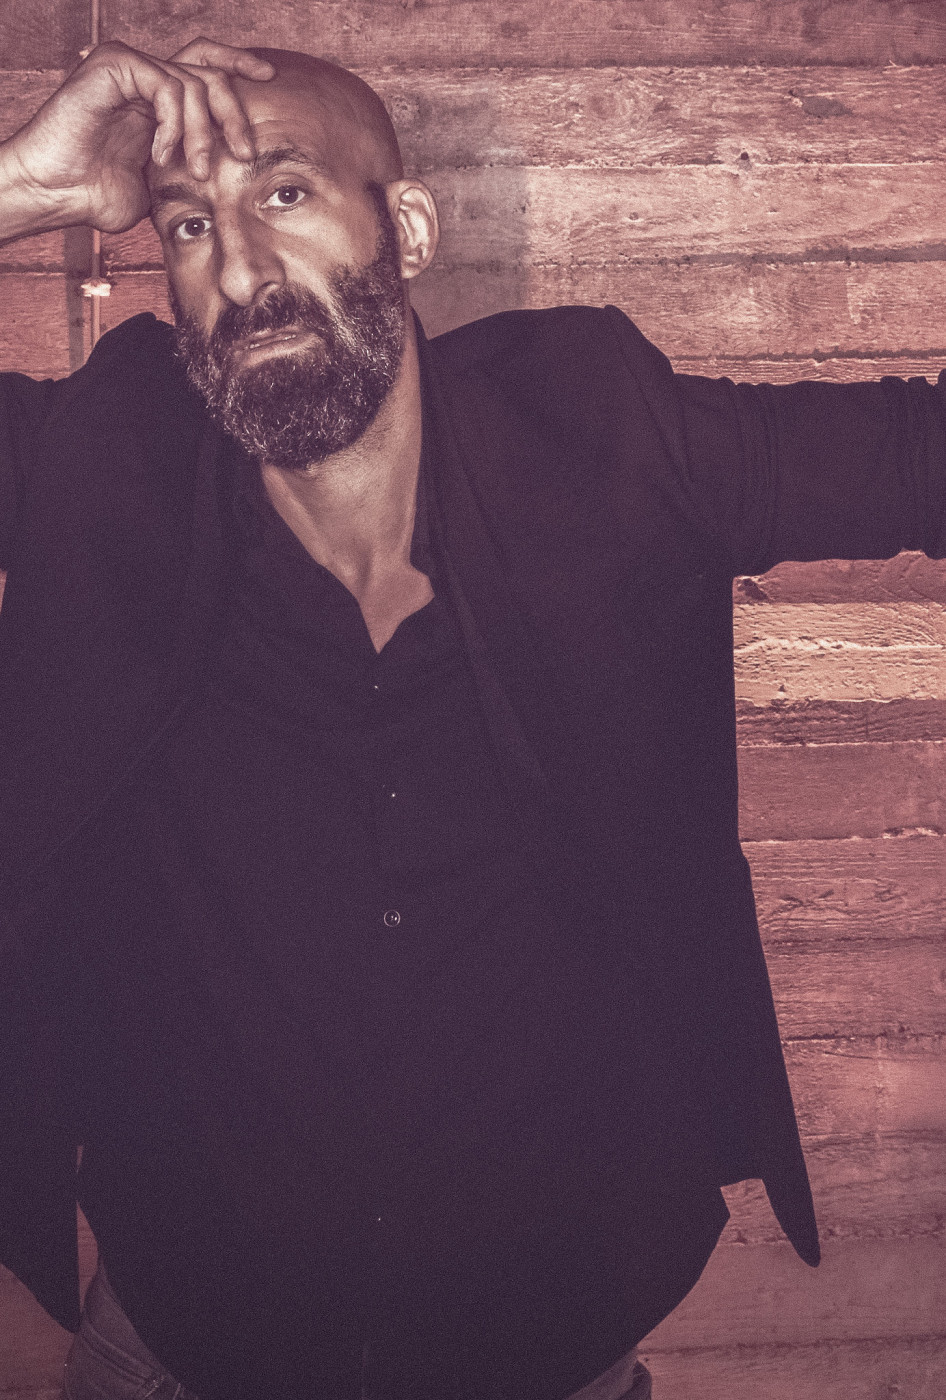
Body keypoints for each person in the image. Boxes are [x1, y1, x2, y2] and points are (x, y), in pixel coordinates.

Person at [0, 37, 942, 1400]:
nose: (241, 272)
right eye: (190, 226)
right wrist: (19, 189)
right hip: (179, 1348)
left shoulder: (606, 435)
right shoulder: (104, 460)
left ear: (410, 230)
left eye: (283, 194)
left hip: (551, 1351)